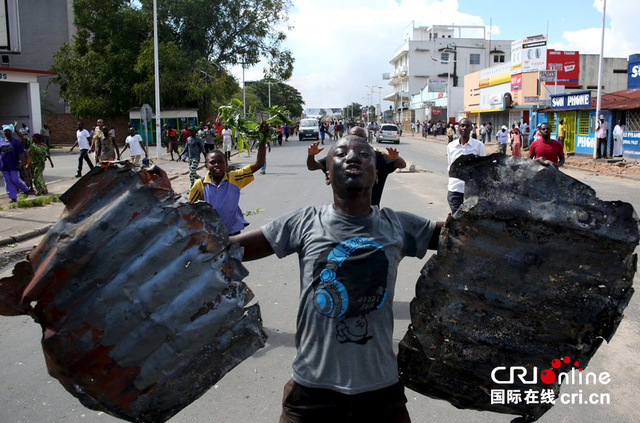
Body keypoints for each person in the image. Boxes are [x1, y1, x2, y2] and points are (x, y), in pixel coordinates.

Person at [230, 135, 442, 422]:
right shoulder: (303, 222)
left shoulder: (398, 225)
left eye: (365, 154)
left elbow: (465, 235)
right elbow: (232, 248)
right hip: (311, 392)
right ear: (327, 174)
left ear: (376, 174)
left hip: (381, 392)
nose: (353, 157)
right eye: (341, 153)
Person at [307, 126, 406, 207]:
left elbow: (401, 165)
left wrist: (396, 158)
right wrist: (311, 155)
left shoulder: (377, 157)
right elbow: (313, 166)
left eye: (360, 137)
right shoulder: (340, 157)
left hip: (370, 215)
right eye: (353, 136)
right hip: (342, 213)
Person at [188, 141, 266, 235]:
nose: (217, 165)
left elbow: (259, 163)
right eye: (212, 162)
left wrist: (262, 140)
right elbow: (190, 209)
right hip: (211, 234)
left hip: (232, 231)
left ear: (226, 164)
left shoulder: (234, 178)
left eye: (220, 162)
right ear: (206, 165)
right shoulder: (200, 184)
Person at [446, 118, 487, 214]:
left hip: (472, 191)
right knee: (456, 217)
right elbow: (450, 166)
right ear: (458, 128)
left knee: (470, 219)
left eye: (467, 126)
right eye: (462, 126)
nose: (464, 128)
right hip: (455, 188)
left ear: (471, 128)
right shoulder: (451, 146)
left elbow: (484, 168)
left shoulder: (478, 145)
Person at [1, 124, 31, 202]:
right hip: (4, 165)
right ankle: (13, 197)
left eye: (9, 131)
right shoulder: (1, 142)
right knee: (8, 181)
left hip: (14, 164)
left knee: (15, 179)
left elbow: (20, 153)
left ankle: (25, 189)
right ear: (3, 133)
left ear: (11, 132)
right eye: (6, 131)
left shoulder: (16, 141)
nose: (7, 133)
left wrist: (20, 162)